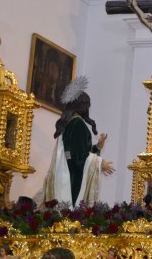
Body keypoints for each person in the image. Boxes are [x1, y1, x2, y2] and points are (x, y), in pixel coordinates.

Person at [36, 76, 115, 206]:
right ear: (81, 105)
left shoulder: (68, 123)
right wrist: (99, 163)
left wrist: (98, 147)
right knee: (69, 212)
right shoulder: (78, 123)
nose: (87, 108)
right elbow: (79, 157)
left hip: (65, 173)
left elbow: (78, 151)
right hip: (72, 178)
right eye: (87, 105)